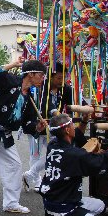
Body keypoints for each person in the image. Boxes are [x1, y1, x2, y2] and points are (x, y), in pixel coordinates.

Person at [0, 57, 47, 215]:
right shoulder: (11, 82)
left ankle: (11, 203)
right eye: (41, 75)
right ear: (31, 74)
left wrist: (37, 126)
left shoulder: (30, 98)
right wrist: (13, 64)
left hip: (5, 134)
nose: (42, 79)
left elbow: (28, 123)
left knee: (15, 165)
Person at [40, 113, 108, 216]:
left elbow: (75, 137)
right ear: (67, 130)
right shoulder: (74, 155)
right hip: (63, 210)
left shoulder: (53, 146)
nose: (74, 127)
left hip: (54, 203)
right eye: (72, 125)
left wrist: (84, 121)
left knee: (100, 205)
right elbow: (102, 162)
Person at [23, 63, 73, 192]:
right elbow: (46, 102)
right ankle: (37, 182)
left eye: (63, 78)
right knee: (35, 154)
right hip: (37, 124)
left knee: (55, 151)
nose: (61, 81)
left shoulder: (66, 89)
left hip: (54, 127)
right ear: (50, 78)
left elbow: (72, 103)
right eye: (58, 78)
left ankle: (30, 175)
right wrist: (57, 114)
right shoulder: (41, 87)